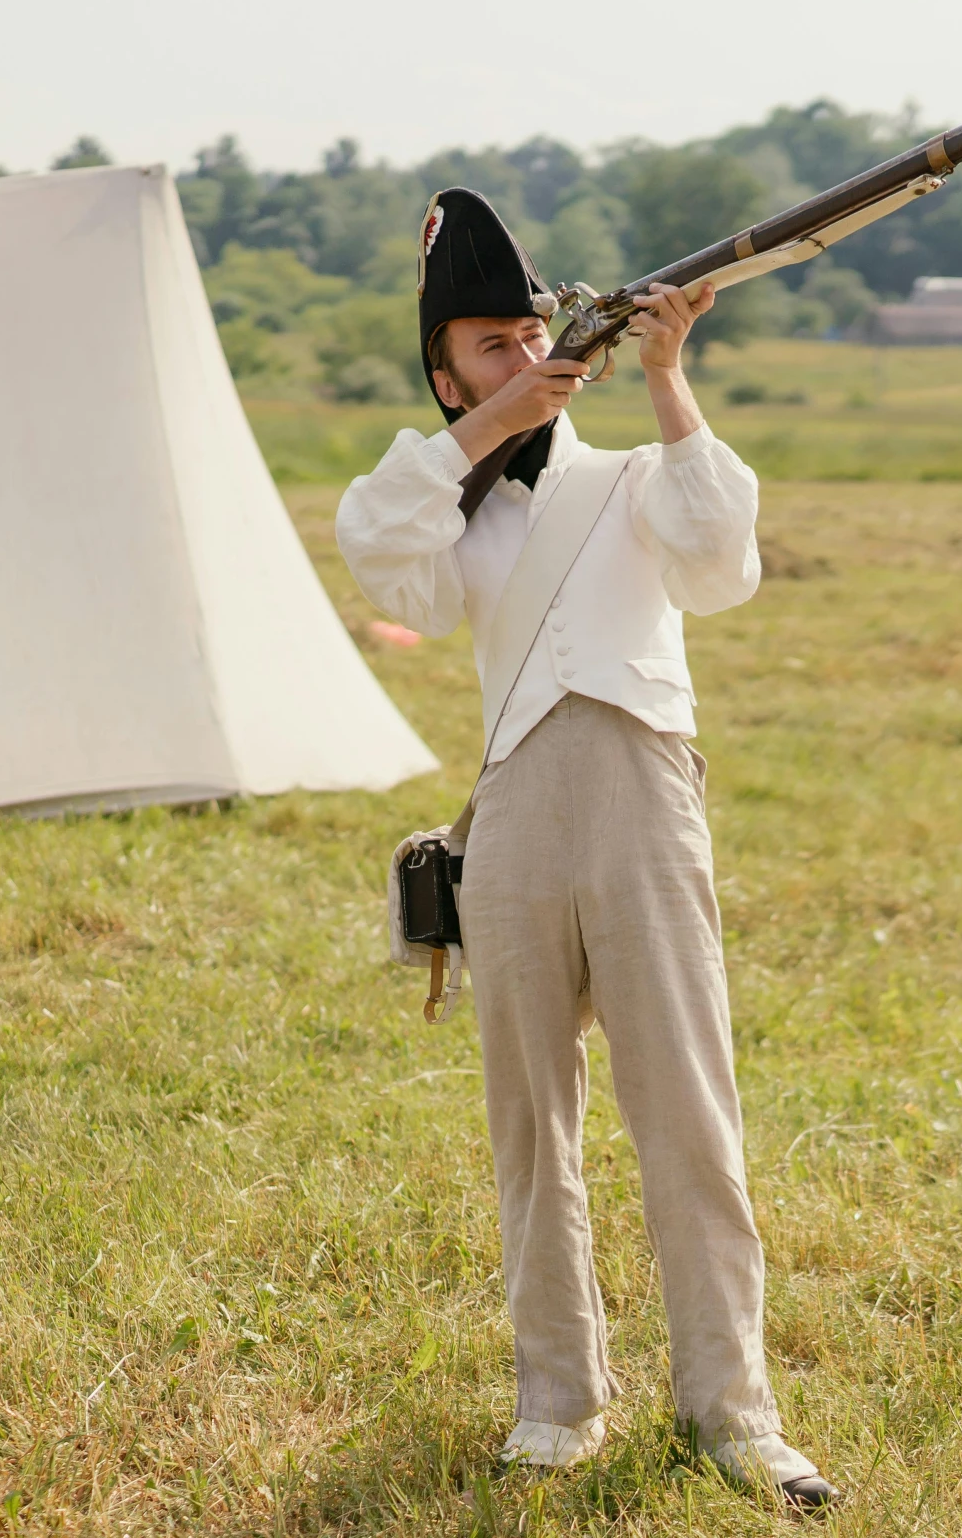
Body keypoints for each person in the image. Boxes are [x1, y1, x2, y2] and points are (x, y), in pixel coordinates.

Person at [335, 188, 837, 1512]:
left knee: (688, 1113)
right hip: (513, 819)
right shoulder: (450, 504)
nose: (514, 358)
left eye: (525, 335)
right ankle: (556, 1399)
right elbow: (378, 551)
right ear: (444, 370)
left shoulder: (630, 476)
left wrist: (666, 375)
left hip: (642, 795)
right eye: (484, 348)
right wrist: (498, 420)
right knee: (529, 1127)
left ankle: (733, 1407)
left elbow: (722, 561)